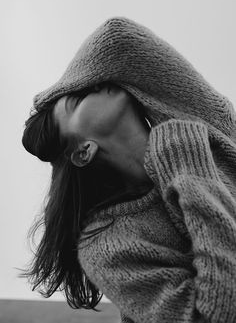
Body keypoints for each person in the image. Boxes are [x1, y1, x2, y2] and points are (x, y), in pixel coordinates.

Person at [20, 17, 236, 322]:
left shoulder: (206, 128)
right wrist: (189, 171)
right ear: (83, 151)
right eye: (78, 98)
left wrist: (48, 98)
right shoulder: (108, 243)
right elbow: (218, 314)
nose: (96, 83)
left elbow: (118, 37)